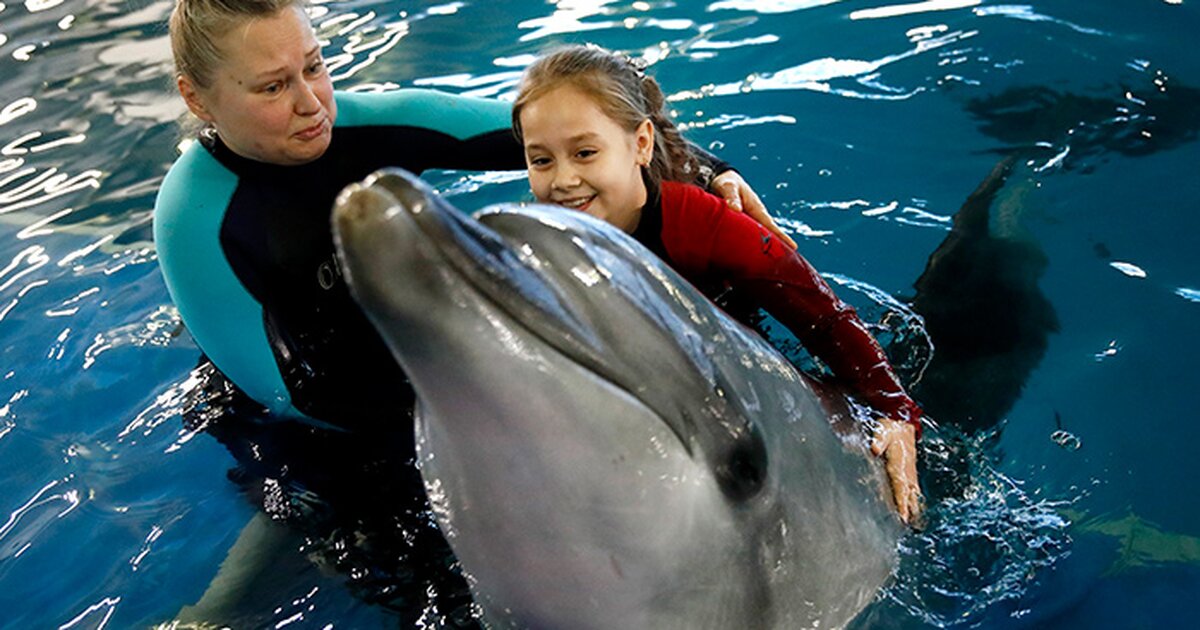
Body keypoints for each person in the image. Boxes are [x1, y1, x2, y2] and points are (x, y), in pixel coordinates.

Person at [155, 0, 788, 437]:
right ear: (196, 96)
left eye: (314, 67)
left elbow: (564, 131)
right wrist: (484, 413)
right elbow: (288, 399)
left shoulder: (364, 123)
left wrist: (709, 171)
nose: (311, 103)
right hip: (307, 420)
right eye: (272, 88)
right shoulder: (194, 219)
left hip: (416, 355)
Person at [511, 44, 925, 525]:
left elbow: (825, 320)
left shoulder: (703, 225)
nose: (563, 181)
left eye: (585, 153)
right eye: (541, 161)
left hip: (735, 378)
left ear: (641, 144)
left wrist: (896, 414)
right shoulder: (550, 235)